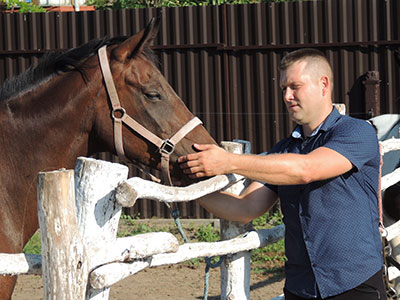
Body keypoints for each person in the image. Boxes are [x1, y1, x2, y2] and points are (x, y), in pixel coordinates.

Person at [178, 48, 387, 300]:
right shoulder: (284, 150)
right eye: (283, 89)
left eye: (295, 86)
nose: (287, 96)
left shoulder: (356, 132)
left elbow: (306, 170)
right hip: (301, 287)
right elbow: (245, 208)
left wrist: (228, 161)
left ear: (324, 84)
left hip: (355, 284)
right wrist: (184, 190)